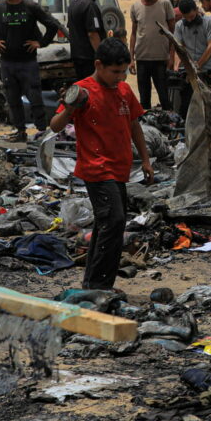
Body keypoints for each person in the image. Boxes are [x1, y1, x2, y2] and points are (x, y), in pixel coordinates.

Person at [50, 38, 153, 290]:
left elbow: (134, 125)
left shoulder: (124, 91)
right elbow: (55, 125)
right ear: (98, 65)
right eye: (115, 72)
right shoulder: (82, 91)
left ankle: (93, 283)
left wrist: (146, 159)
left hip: (120, 168)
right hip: (96, 168)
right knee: (115, 221)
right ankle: (99, 286)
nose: (120, 77)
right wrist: (71, 108)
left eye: (124, 72)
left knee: (107, 223)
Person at [0, 0, 65, 142]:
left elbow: (53, 25)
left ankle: (41, 132)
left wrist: (41, 43)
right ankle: (20, 132)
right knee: (13, 99)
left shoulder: (30, 7)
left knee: (35, 98)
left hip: (28, 62)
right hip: (7, 62)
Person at [129, 0, 176, 111]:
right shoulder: (135, 6)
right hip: (142, 58)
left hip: (161, 58)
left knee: (164, 96)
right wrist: (131, 58)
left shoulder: (165, 4)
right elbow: (133, 34)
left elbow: (172, 33)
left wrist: (171, 56)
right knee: (144, 98)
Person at [173, 0, 211, 118]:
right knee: (187, 104)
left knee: (209, 105)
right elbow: (178, 47)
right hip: (189, 71)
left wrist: (197, 65)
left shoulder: (210, 22)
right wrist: (177, 66)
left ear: (197, 10)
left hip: (207, 70)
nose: (189, 20)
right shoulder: (179, 26)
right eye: (186, 17)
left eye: (192, 16)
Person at [68, 0, 110, 80]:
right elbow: (93, 34)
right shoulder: (89, 5)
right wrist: (101, 57)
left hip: (78, 57)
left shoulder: (74, 1)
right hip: (89, 59)